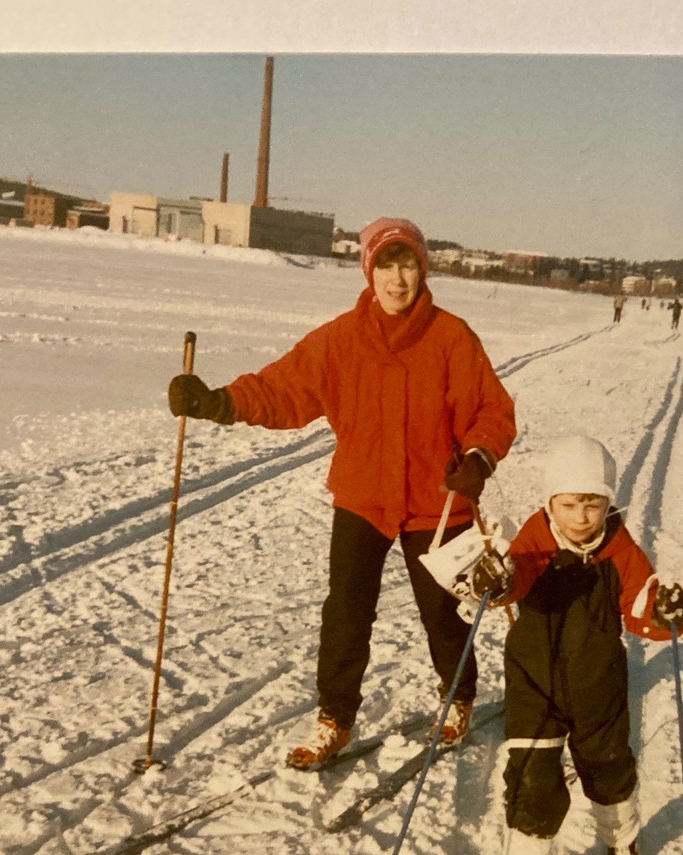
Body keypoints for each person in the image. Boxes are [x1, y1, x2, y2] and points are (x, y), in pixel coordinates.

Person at [168, 217, 517, 768]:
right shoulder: (339, 340)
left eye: (407, 265)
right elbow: (281, 389)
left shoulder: (451, 337)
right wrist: (217, 402)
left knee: (442, 614)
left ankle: (459, 698)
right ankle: (335, 717)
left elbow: (492, 410)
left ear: (422, 269)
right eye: (386, 265)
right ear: (368, 271)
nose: (397, 279)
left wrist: (478, 456)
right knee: (345, 613)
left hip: (438, 499)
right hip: (363, 496)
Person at [468, 435, 683, 855]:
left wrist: (663, 612)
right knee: (530, 782)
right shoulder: (532, 542)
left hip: (599, 684)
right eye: (569, 504)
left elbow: (640, 607)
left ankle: (621, 842)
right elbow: (511, 582)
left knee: (608, 770)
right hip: (534, 684)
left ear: (608, 503)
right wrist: (494, 578)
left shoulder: (619, 549)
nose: (581, 516)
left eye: (593, 504)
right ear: (550, 502)